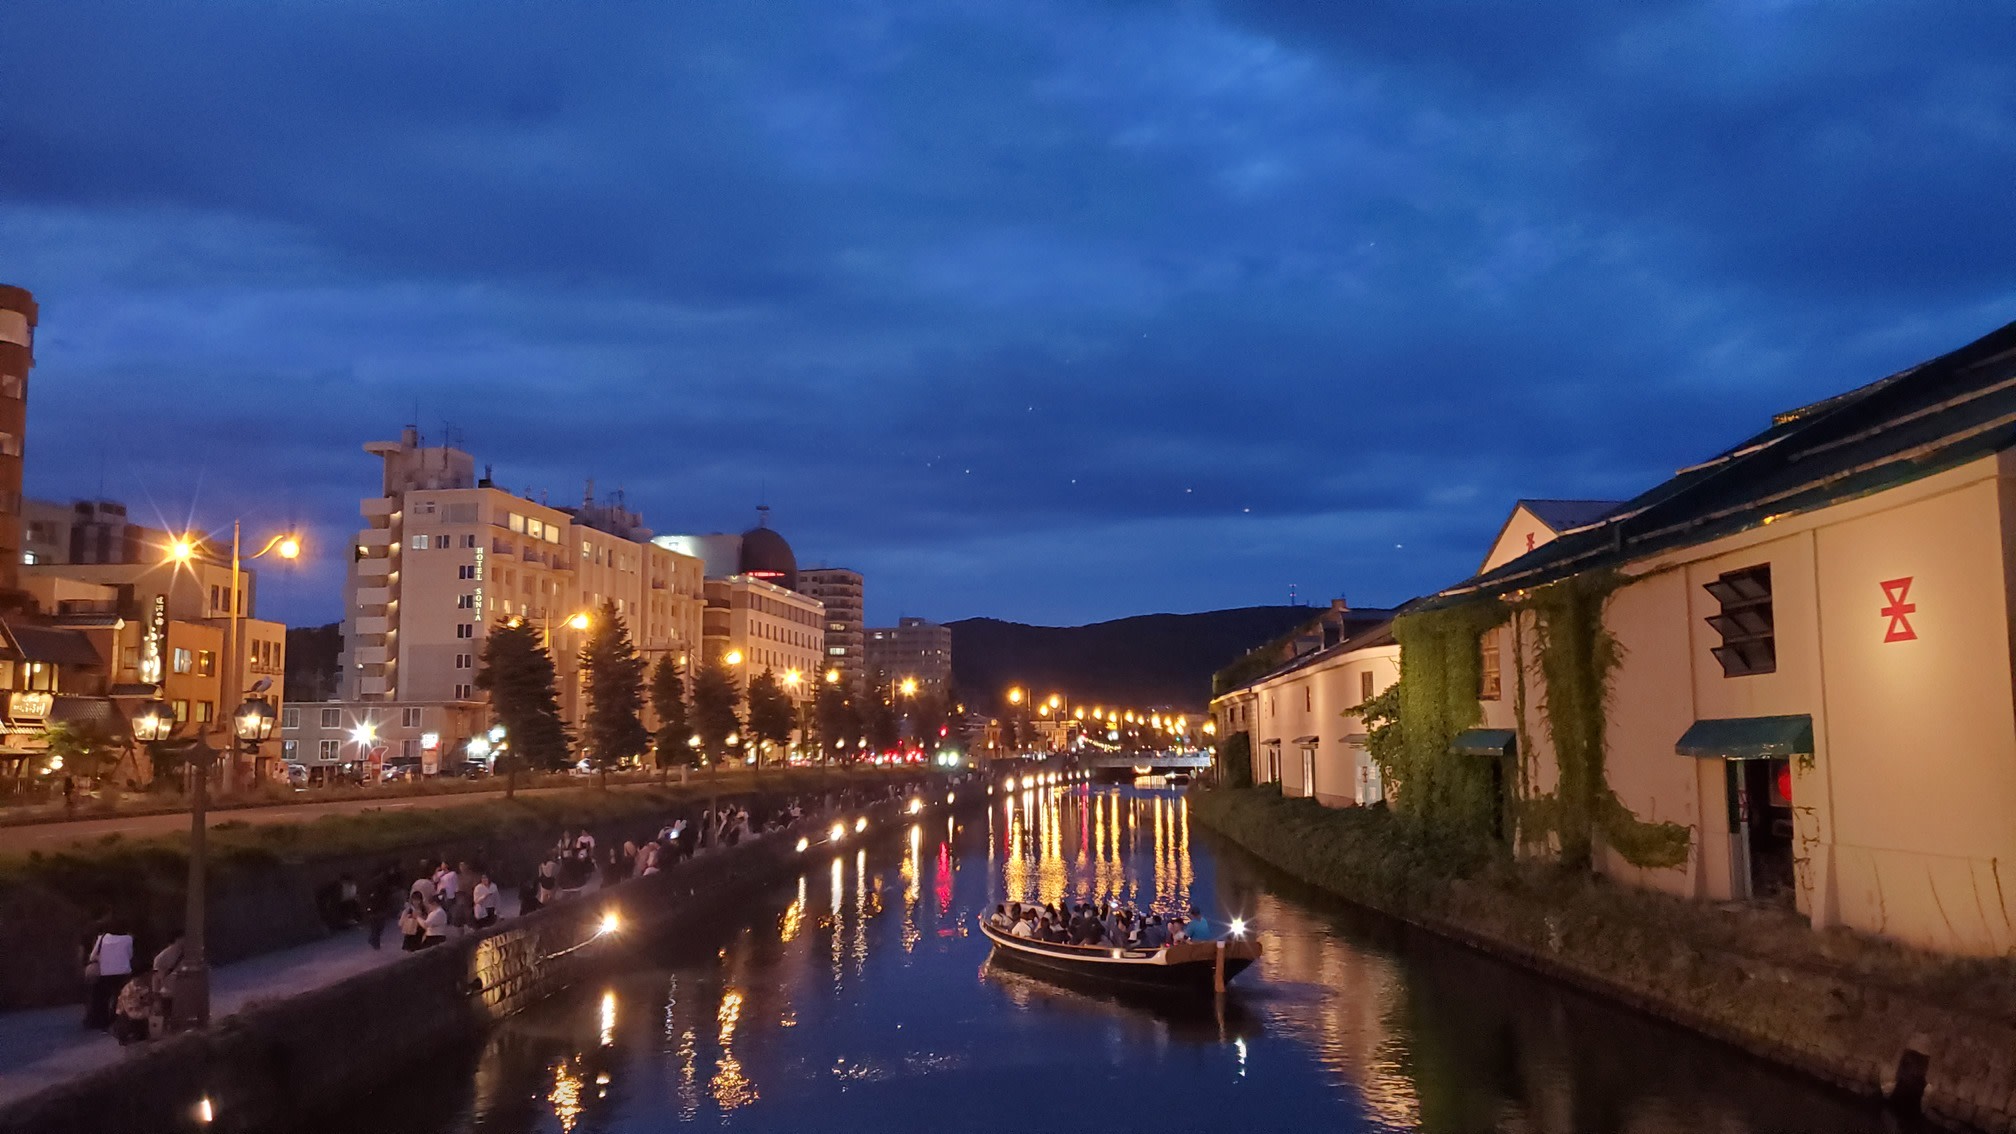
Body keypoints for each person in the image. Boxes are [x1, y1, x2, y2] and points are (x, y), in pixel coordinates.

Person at [82, 921, 134, 1030]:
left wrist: (106, 959)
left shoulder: (102, 938)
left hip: (107, 972)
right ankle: (119, 1020)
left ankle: (104, 1021)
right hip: (123, 971)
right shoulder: (128, 939)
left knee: (106, 997)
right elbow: (130, 955)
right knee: (120, 996)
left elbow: (92, 957)